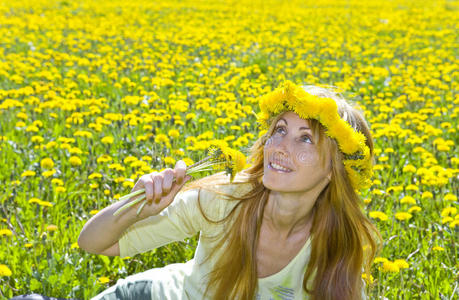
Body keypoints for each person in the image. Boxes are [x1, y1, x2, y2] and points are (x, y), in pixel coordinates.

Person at [78, 80, 382, 300]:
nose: (279, 148)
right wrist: (139, 206)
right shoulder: (224, 200)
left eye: (304, 139)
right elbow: (93, 243)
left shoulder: (335, 245)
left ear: (333, 170)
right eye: (279, 130)